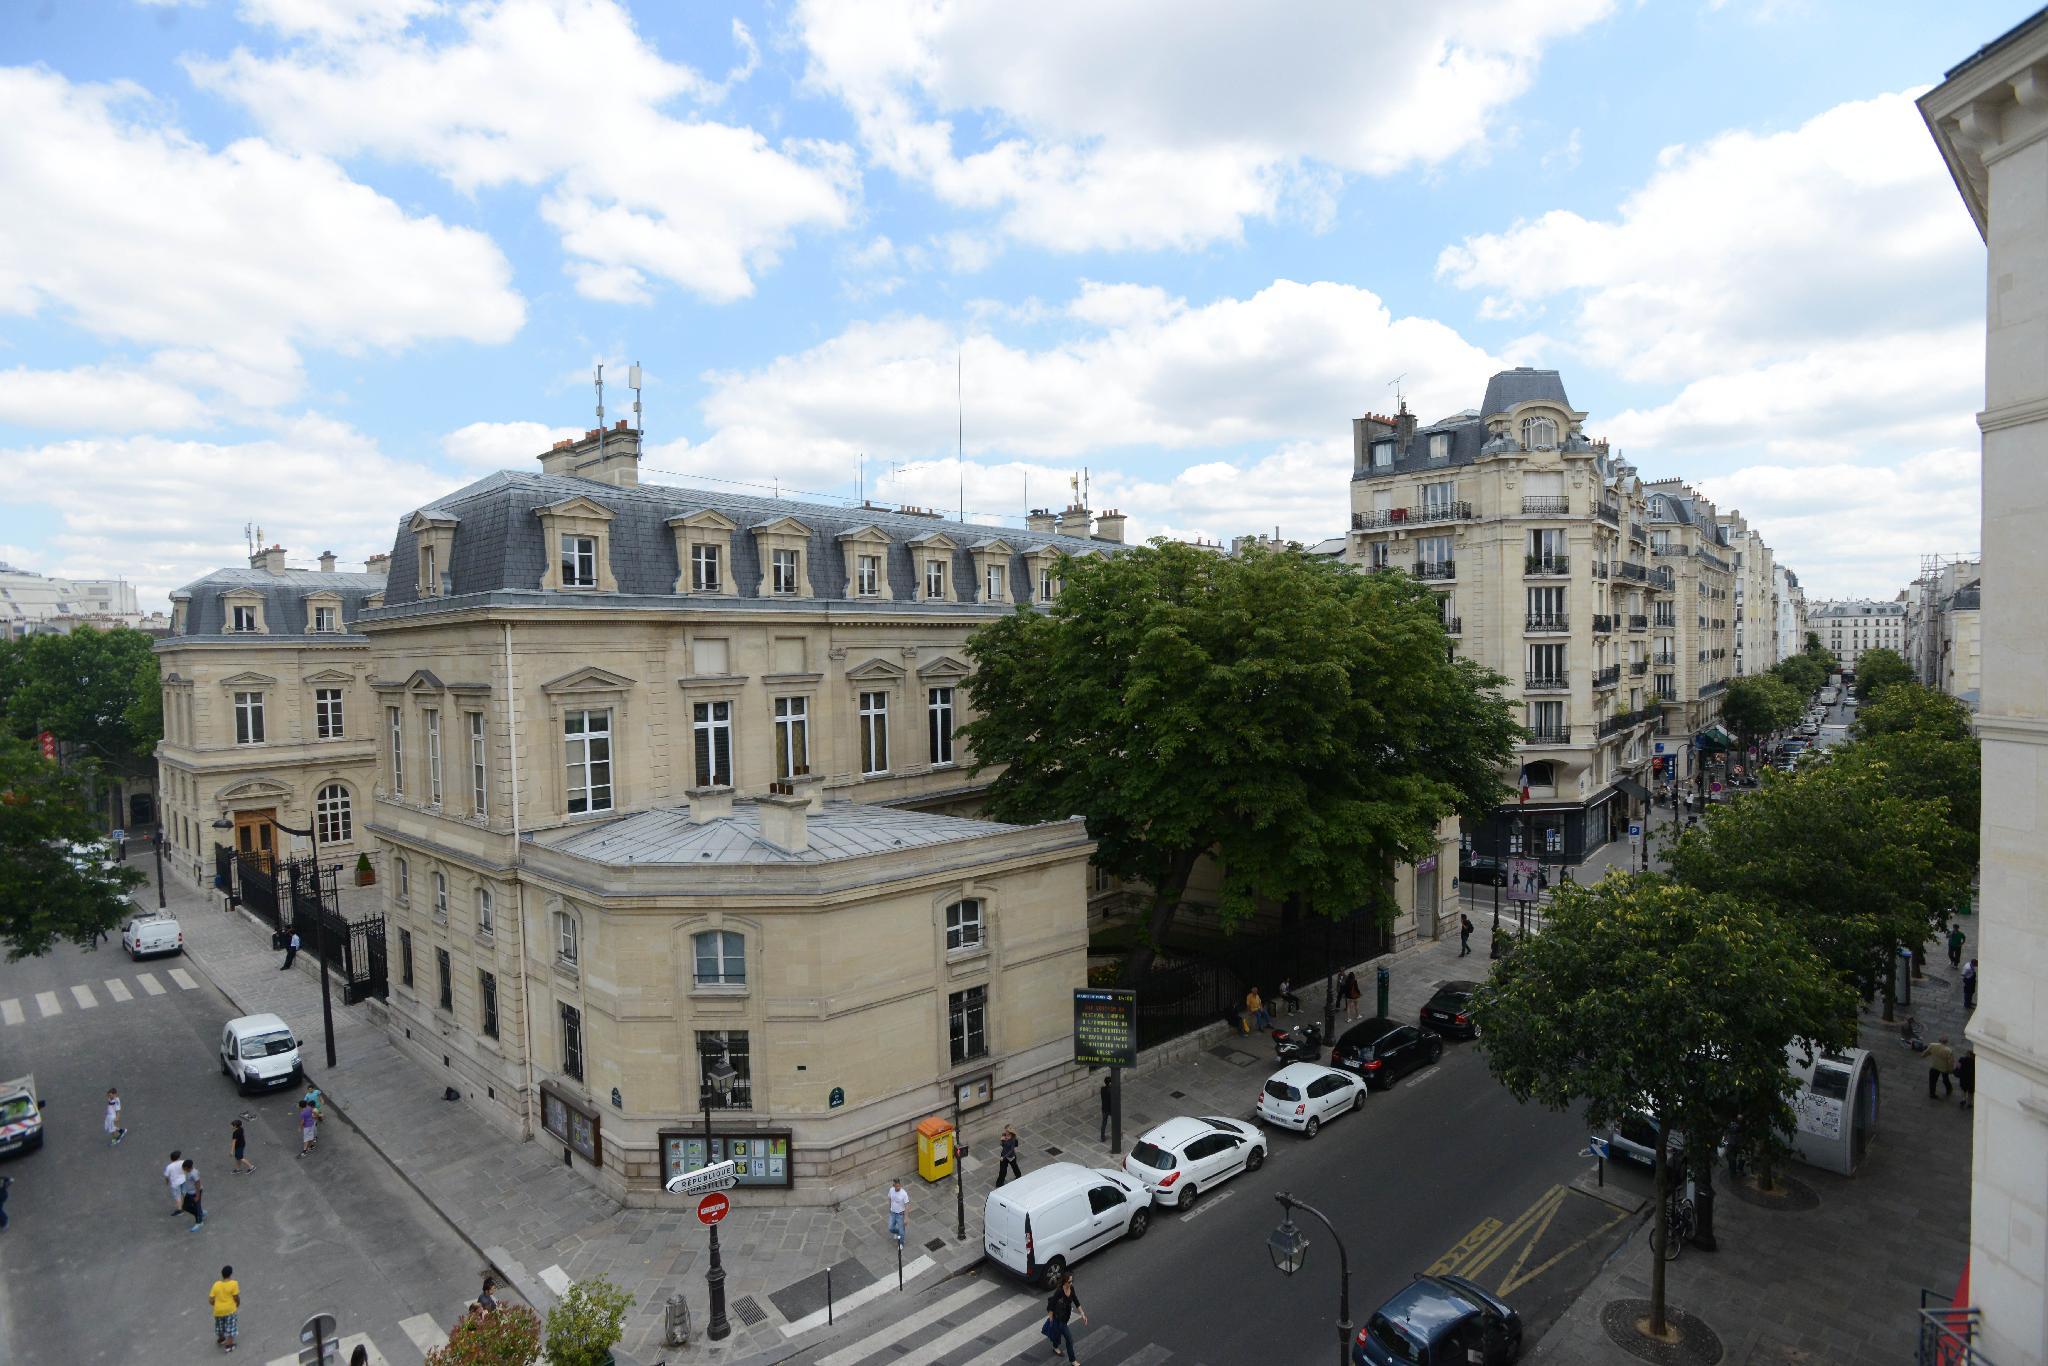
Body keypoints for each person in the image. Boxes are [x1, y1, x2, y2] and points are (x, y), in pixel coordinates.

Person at [1044, 1271, 1087, 1363]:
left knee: (1057, 1333)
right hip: (1059, 1319)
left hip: (1065, 1316)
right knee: (1069, 1339)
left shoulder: (1071, 1288)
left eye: (1072, 1281)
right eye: (1069, 1282)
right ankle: (1073, 1360)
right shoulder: (1059, 1291)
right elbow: (1051, 1304)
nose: (1071, 1283)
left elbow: (1076, 1301)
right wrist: (1051, 1318)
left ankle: (1055, 1347)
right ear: (1064, 1281)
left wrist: (1082, 1314)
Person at [210, 1265, 240, 1352]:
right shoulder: (234, 1283)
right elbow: (236, 1297)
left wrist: (216, 1305)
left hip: (218, 1310)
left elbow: (211, 1299)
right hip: (230, 1310)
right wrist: (237, 1303)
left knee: (220, 1325)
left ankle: (221, 1338)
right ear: (231, 1274)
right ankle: (229, 1346)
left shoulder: (216, 1284)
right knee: (230, 1327)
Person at [179, 1159, 205, 1231]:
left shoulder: (194, 1173)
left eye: (184, 1168)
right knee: (185, 1206)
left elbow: (198, 1184)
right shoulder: (188, 1171)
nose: (183, 1169)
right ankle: (199, 1213)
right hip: (189, 1192)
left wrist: (197, 1196)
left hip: (195, 1193)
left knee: (197, 1206)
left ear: (188, 1167)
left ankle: (199, 1222)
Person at [886, 1178, 909, 1246]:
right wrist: (890, 1207)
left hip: (900, 1214)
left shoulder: (904, 1194)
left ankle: (901, 1243)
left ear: (900, 1185)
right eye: (896, 1186)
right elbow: (889, 1198)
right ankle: (897, 1232)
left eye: (899, 1186)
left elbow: (907, 1205)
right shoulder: (891, 1190)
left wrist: (906, 1218)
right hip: (893, 1213)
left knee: (902, 1232)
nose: (898, 1187)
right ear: (893, 1185)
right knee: (890, 1228)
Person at [1098, 1076, 1112, 1142]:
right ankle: (1116, 1134)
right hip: (1110, 1109)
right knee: (1114, 1122)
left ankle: (1102, 1137)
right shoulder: (1111, 1090)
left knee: (1104, 1123)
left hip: (1104, 1108)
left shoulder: (1102, 1089)